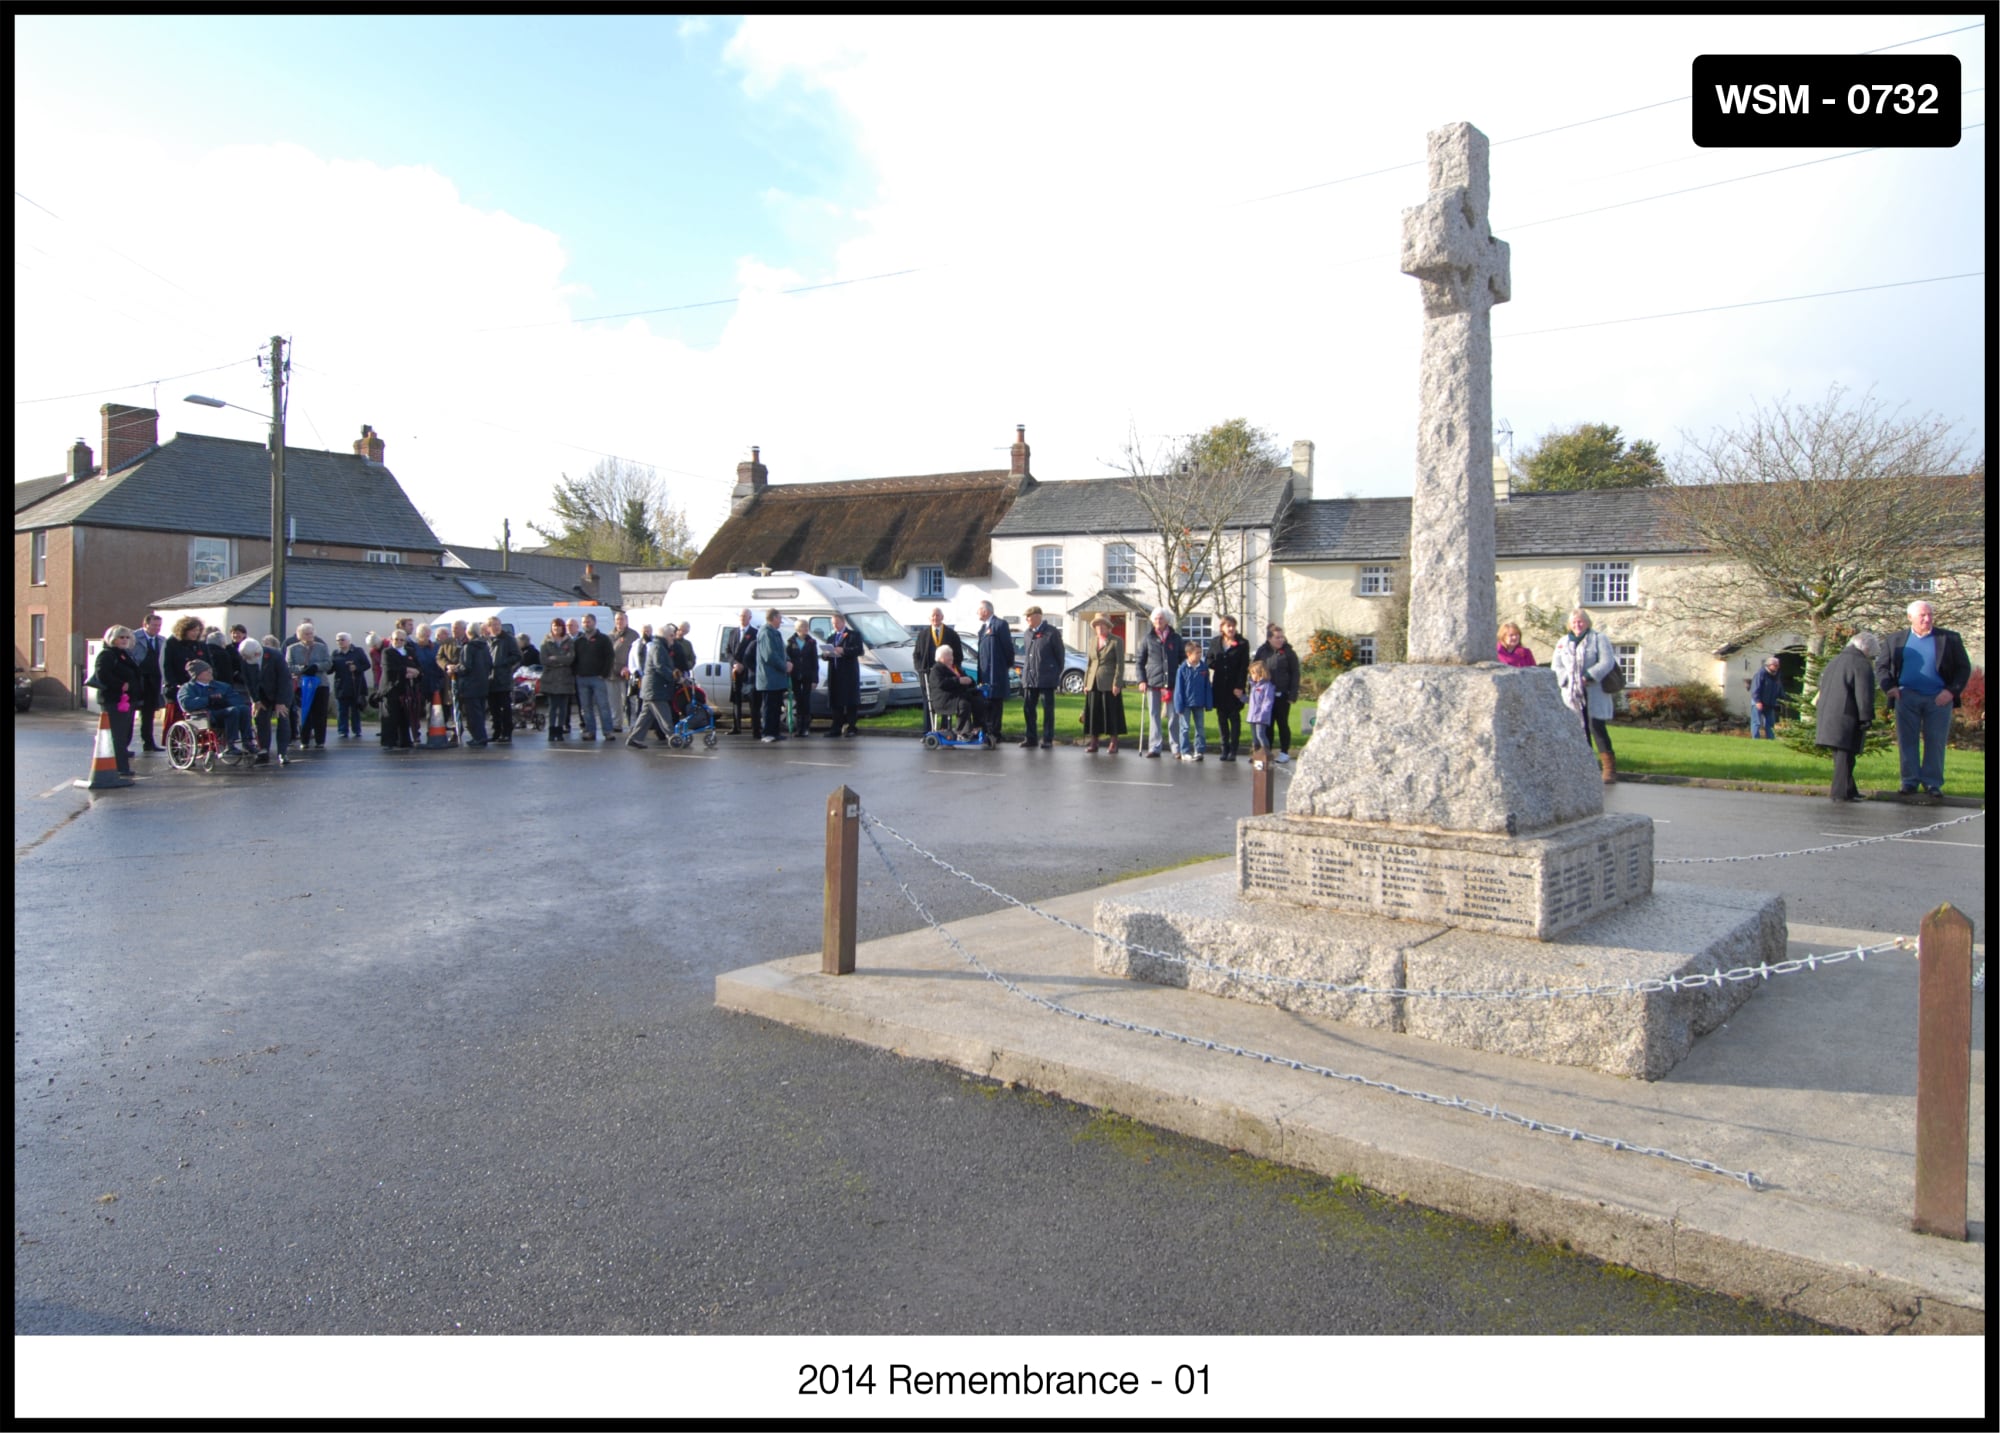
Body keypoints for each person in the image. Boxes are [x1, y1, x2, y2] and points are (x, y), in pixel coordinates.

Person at [1878, 599, 1972, 799]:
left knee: (1935, 741)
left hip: (1939, 698)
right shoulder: (1895, 640)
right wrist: (1890, 688)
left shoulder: (1949, 638)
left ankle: (1932, 783)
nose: (1927, 619)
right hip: (1907, 696)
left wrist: (1951, 691)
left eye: (1930, 614)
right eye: (1922, 615)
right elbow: (1882, 668)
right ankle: (1909, 781)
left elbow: (1963, 669)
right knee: (1907, 741)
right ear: (1910, 617)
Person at [1550, 607, 1618, 784]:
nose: (1577, 625)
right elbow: (1556, 666)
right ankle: (1586, 768)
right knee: (1578, 730)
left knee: (1597, 727)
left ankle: (1609, 769)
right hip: (1572, 694)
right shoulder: (1563, 642)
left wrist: (1588, 676)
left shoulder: (1598, 639)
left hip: (1594, 690)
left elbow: (1607, 661)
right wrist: (1568, 678)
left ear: (1587, 622)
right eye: (1574, 622)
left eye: (1580, 622)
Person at [1818, 631, 1883, 803]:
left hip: (1828, 714)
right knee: (1845, 757)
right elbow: (1864, 694)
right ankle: (1840, 793)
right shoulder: (1860, 663)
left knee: (1841, 757)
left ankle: (1849, 789)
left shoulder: (1835, 661)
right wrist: (1866, 717)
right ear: (1867, 648)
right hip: (1847, 716)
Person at [90, 625, 142, 782]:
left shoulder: (125, 655)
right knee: (117, 735)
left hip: (128, 700)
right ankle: (121, 767)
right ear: (113, 639)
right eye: (121, 637)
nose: (125, 640)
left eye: (127, 637)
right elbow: (103, 674)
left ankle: (121, 765)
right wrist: (120, 685)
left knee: (125, 734)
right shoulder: (107, 655)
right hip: (114, 700)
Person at [1134, 607, 1183, 758]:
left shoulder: (1176, 638)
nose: (1158, 621)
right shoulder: (1147, 639)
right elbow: (1139, 662)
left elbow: (1183, 659)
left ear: (1167, 620)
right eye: (1155, 619)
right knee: (1154, 714)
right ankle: (1154, 747)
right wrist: (1141, 680)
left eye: (1161, 618)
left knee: (1173, 716)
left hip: (1172, 682)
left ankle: (1176, 748)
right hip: (1153, 682)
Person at [176, 658, 250, 754]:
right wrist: (209, 700)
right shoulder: (188, 688)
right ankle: (230, 745)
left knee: (244, 709)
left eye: (210, 670)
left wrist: (224, 701)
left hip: (223, 712)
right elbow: (187, 703)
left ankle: (248, 742)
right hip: (204, 715)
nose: (210, 672)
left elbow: (237, 699)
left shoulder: (222, 686)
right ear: (198, 675)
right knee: (232, 711)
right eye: (207, 671)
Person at [1251, 624, 1300, 764]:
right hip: (1266, 695)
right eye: (1277, 637)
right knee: (1268, 724)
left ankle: (1284, 752)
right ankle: (1267, 752)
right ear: (1269, 638)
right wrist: (1254, 691)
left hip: (1283, 694)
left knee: (1283, 723)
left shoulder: (1289, 652)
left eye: (1282, 637)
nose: (1280, 640)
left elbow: (1295, 673)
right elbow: (1255, 670)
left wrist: (1292, 694)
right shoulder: (1262, 651)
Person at [1017, 605, 1064, 749]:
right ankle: (1031, 738)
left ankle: (1048, 738)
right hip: (1030, 678)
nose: (1027, 619)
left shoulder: (1051, 632)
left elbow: (1059, 655)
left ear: (1038, 616)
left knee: (1047, 710)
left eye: (1029, 616)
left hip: (1046, 678)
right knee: (1028, 709)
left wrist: (1055, 673)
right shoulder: (1027, 633)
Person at [912, 606, 963, 734]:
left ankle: (945, 730)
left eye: (938, 615)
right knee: (928, 703)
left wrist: (952, 668)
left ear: (942, 617)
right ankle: (928, 731)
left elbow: (959, 655)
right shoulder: (923, 634)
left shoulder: (951, 634)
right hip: (928, 675)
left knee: (947, 701)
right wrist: (920, 669)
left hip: (946, 676)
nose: (935, 618)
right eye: (933, 616)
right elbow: (916, 654)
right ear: (929, 618)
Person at [626, 627, 679, 749]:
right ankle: (673, 737)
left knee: (646, 715)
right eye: (671, 635)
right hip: (655, 688)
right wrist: (672, 676)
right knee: (664, 714)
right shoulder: (658, 647)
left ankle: (635, 738)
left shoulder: (660, 646)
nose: (673, 638)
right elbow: (659, 666)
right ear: (665, 636)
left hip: (652, 687)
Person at [245, 636, 293, 766]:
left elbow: (284, 679)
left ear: (257, 652)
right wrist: (255, 700)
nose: (248, 660)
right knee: (261, 721)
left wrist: (281, 702)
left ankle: (282, 753)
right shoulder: (244, 657)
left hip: (280, 691)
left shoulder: (274, 655)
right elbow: (248, 681)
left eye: (250, 657)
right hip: (261, 693)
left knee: (283, 719)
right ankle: (263, 751)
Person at [1081, 616, 1126, 755]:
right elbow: (1089, 663)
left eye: (1102, 625)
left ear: (1108, 627)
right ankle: (1094, 741)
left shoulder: (1116, 641)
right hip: (1093, 682)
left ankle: (1113, 742)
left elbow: (1120, 664)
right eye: (1097, 626)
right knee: (1093, 713)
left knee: (1111, 713)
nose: (1099, 628)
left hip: (1109, 682)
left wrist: (1117, 683)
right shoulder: (1092, 641)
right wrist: (1086, 683)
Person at [1207, 616, 1250, 762]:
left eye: (1233, 626)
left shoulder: (1243, 643)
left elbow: (1244, 667)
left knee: (1234, 717)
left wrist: (1240, 686)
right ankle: (1224, 748)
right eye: (1228, 626)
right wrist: (1218, 664)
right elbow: (1209, 660)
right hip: (1220, 686)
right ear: (1222, 628)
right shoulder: (1215, 642)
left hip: (1234, 686)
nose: (1231, 629)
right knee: (1221, 718)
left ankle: (1233, 749)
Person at [926, 646, 989, 740]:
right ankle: (961, 731)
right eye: (949, 655)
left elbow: (966, 678)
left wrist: (970, 680)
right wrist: (958, 681)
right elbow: (941, 684)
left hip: (959, 695)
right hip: (945, 699)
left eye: (951, 655)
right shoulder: (937, 669)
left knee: (978, 699)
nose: (952, 657)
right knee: (964, 704)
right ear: (942, 657)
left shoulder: (955, 667)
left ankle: (978, 727)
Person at [573, 612, 619, 739]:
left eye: (588, 622)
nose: (586, 624)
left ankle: (608, 731)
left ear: (594, 622)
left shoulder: (603, 639)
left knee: (603, 706)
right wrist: (576, 673)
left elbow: (610, 657)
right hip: (582, 678)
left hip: (598, 678)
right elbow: (574, 659)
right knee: (586, 708)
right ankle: (590, 731)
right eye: (584, 622)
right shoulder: (578, 641)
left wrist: (604, 673)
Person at [287, 621, 333, 749]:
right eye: (306, 634)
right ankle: (304, 739)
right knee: (305, 712)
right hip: (303, 684)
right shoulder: (292, 649)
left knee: (320, 713)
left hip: (320, 684)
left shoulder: (321, 647)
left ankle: (320, 740)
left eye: (311, 634)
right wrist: (302, 668)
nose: (309, 636)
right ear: (300, 635)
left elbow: (328, 663)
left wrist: (316, 666)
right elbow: (288, 666)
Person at [820, 610, 864, 737]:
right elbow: (827, 655)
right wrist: (825, 655)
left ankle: (851, 727)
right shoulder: (831, 637)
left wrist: (844, 650)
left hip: (849, 673)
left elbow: (859, 650)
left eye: (837, 623)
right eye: (833, 624)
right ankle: (836, 727)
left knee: (850, 701)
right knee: (836, 701)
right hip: (835, 672)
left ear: (843, 622)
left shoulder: (853, 635)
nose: (835, 626)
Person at [161, 615, 207, 734]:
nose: (195, 633)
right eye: (192, 630)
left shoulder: (200, 645)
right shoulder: (171, 643)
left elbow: (208, 664)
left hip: (198, 687)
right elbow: (166, 667)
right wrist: (172, 684)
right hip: (178, 687)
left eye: (197, 630)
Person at [754, 608, 792, 743]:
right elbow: (769, 655)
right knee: (769, 707)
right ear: (774, 618)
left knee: (776, 706)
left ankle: (775, 732)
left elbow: (782, 651)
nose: (781, 621)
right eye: (780, 618)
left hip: (777, 678)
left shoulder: (776, 633)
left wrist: (788, 661)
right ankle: (767, 732)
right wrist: (783, 666)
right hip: (769, 677)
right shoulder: (765, 633)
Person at [130, 612, 165, 754]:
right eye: (154, 625)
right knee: (130, 712)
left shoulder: (162, 640)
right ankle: (124, 745)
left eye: (159, 625)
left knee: (148, 713)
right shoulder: (133, 638)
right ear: (145, 625)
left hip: (154, 680)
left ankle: (149, 743)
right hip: (138, 680)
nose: (157, 628)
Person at [538, 618, 577, 742]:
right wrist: (560, 661)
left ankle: (560, 730)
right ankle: (551, 730)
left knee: (563, 707)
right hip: (551, 679)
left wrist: (556, 658)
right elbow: (544, 659)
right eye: (555, 627)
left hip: (565, 678)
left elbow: (570, 659)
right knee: (553, 706)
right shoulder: (546, 641)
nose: (557, 629)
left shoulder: (568, 641)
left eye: (559, 627)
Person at [1173, 640, 1213, 760]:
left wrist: (1208, 703)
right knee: (1185, 728)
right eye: (1197, 653)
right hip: (1185, 704)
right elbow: (1179, 689)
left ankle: (1199, 750)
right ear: (1189, 654)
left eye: (1200, 653)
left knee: (1199, 727)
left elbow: (1207, 686)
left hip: (1199, 702)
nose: (1199, 655)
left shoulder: (1203, 668)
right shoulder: (1182, 669)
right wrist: (1179, 706)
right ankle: (1185, 751)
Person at [330, 632, 372, 739]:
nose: (340, 642)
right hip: (341, 685)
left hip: (356, 685)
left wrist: (356, 668)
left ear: (349, 641)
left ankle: (356, 729)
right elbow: (330, 669)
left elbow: (367, 665)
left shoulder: (358, 651)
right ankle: (342, 730)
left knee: (355, 710)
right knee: (342, 710)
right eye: (338, 640)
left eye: (342, 639)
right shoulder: (335, 653)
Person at [485, 618, 520, 744]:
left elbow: (517, 656)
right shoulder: (488, 641)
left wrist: (503, 664)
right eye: (493, 625)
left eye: (498, 624)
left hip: (503, 678)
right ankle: (497, 732)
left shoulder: (508, 639)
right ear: (488, 627)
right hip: (490, 679)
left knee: (505, 708)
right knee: (493, 709)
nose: (496, 627)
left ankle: (507, 733)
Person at [726, 608, 758, 735]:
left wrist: (743, 666)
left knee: (752, 700)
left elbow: (754, 653)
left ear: (750, 618)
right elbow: (727, 651)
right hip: (735, 671)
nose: (742, 618)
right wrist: (734, 663)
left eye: (745, 616)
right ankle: (736, 727)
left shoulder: (754, 632)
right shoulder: (733, 632)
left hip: (749, 672)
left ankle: (755, 728)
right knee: (736, 699)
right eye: (741, 616)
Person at [786, 618, 820, 737]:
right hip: (795, 675)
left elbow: (814, 662)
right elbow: (788, 658)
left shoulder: (811, 642)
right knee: (798, 701)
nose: (806, 629)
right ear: (798, 629)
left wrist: (815, 679)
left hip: (807, 675)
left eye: (807, 627)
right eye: (804, 627)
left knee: (806, 701)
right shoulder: (791, 641)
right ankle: (798, 727)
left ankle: (805, 727)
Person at [609, 611, 640, 726]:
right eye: (617, 619)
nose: (619, 622)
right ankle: (617, 723)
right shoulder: (610, 636)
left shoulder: (633, 635)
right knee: (614, 701)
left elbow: (637, 654)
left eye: (621, 619)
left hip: (627, 673)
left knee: (630, 700)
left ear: (626, 621)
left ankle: (633, 723)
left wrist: (629, 667)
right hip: (612, 673)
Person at [1749, 656, 1784, 740]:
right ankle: (1755, 739)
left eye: (1778, 666)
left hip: (1770, 703)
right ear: (1769, 665)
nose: (1777, 667)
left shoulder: (1776, 676)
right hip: (1759, 703)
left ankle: (1770, 740)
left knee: (1770, 723)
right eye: (1775, 665)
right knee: (1756, 722)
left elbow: (1779, 688)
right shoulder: (1760, 674)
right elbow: (1755, 689)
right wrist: (1757, 701)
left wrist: (1783, 698)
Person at [1247, 660, 1277, 755]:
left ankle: (1266, 753)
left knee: (1261, 735)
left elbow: (1268, 702)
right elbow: (1251, 700)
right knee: (1254, 736)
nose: (1252, 676)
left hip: (1261, 717)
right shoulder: (1254, 686)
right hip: (1252, 716)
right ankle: (1256, 754)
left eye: (1253, 673)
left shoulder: (1267, 686)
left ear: (1260, 673)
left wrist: (1262, 714)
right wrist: (1241, 697)